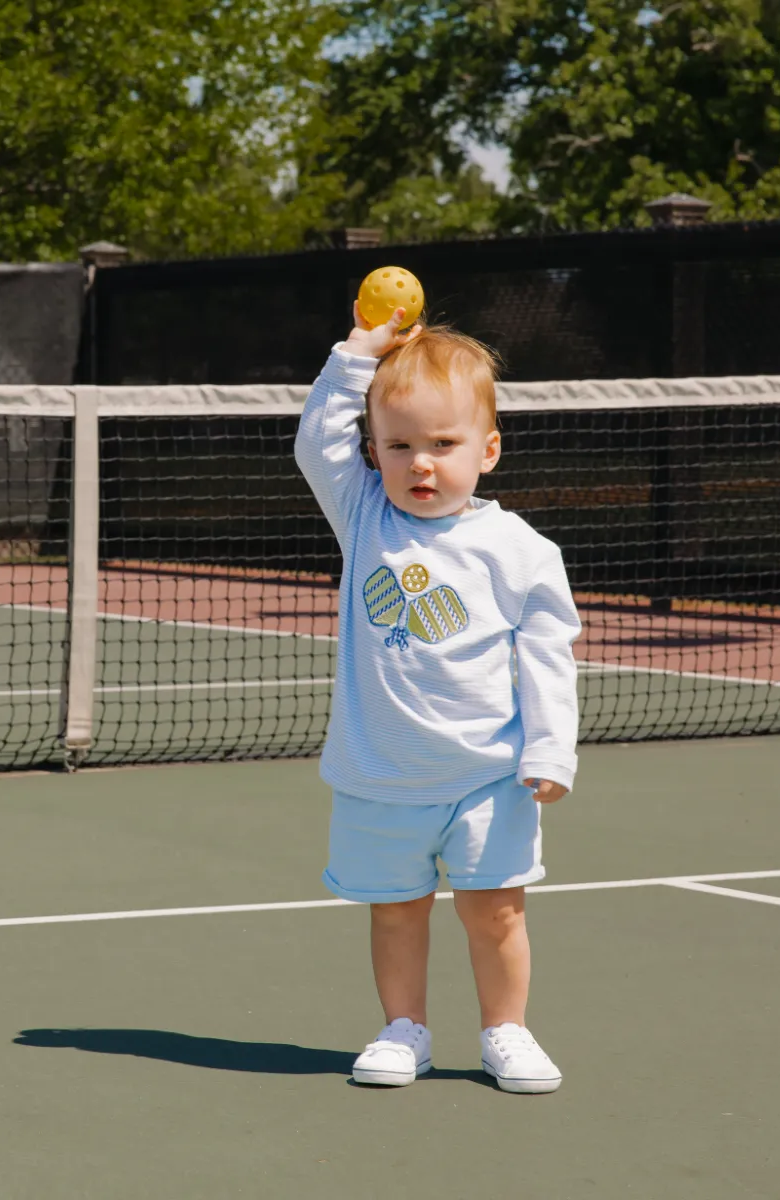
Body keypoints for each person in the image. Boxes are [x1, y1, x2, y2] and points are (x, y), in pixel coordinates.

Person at [294, 304, 581, 1094]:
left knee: (497, 914)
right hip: (379, 779)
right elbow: (316, 441)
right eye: (399, 446)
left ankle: (507, 1031)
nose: (421, 464)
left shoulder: (521, 549)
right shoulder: (363, 517)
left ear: (488, 449)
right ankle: (403, 1030)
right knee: (395, 912)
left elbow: (548, 656)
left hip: (488, 778)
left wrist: (550, 749)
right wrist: (356, 352)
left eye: (444, 445)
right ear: (374, 452)